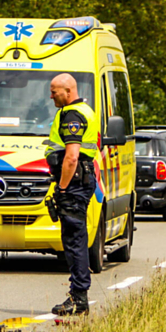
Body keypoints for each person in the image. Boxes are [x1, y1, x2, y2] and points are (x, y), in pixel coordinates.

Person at [46, 73, 101, 316]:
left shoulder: (72, 115)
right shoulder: (85, 110)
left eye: (54, 91)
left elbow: (72, 156)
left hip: (75, 182)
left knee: (74, 240)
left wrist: (63, 187)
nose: (51, 96)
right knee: (75, 238)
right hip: (81, 179)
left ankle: (79, 297)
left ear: (68, 91)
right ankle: (78, 295)